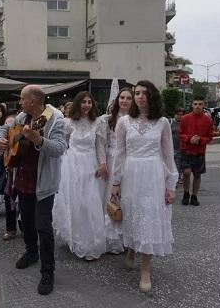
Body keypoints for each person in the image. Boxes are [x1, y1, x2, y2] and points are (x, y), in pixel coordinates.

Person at [0, 85, 67, 295]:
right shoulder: (21, 117)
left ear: (33, 101)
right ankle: (31, 252)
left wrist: (38, 140)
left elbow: (60, 148)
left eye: (22, 99)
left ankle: (48, 271)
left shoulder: (55, 119)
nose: (20, 103)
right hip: (23, 179)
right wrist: (1, 139)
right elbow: (4, 129)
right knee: (26, 221)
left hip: (43, 182)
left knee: (43, 227)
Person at [110, 80, 178, 293]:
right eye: (136, 93)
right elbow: (120, 154)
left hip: (153, 175)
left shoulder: (163, 122)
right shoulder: (123, 123)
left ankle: (145, 269)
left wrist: (171, 185)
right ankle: (131, 249)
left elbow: (168, 155)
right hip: (131, 173)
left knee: (149, 217)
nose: (139, 97)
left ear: (152, 96)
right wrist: (115, 182)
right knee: (132, 214)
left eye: (143, 93)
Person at [53, 91, 108, 261]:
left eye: (89, 102)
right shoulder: (68, 123)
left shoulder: (97, 123)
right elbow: (63, 144)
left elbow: (100, 146)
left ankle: (90, 242)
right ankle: (75, 238)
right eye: (83, 102)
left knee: (89, 203)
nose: (86, 105)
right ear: (78, 103)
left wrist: (103, 164)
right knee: (75, 203)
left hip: (90, 165)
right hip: (72, 165)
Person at [100, 87, 133, 254]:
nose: (125, 101)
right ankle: (112, 239)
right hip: (112, 160)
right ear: (117, 100)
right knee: (112, 198)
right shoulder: (108, 120)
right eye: (122, 98)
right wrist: (103, 162)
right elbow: (102, 143)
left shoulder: (135, 120)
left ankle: (127, 237)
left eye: (128, 98)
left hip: (130, 161)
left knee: (127, 198)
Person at [179, 96, 214, 206]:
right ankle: (186, 193)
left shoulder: (208, 120)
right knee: (186, 172)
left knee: (197, 175)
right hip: (186, 150)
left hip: (199, 151)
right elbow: (180, 134)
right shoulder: (185, 118)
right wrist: (189, 139)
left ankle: (194, 196)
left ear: (203, 105)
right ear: (192, 105)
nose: (197, 106)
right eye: (195, 104)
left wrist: (200, 140)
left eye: (200, 104)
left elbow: (210, 137)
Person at [0, 114, 20, 241]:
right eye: (7, 125)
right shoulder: (3, 141)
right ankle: (10, 229)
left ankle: (24, 227)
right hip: (8, 176)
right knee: (8, 201)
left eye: (12, 125)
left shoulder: (20, 137)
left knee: (23, 203)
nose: (9, 127)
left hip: (21, 174)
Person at [171, 107, 185, 184]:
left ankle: (178, 178)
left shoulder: (184, 123)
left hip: (181, 148)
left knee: (178, 164)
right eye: (178, 114)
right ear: (174, 114)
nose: (180, 116)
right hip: (171, 147)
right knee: (171, 164)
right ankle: (173, 178)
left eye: (181, 114)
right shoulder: (170, 122)